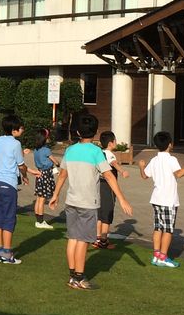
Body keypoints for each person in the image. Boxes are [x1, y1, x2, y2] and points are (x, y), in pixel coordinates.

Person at [49, 113, 133, 290]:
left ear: (78, 132)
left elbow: (62, 175)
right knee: (82, 240)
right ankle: (79, 278)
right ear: (95, 132)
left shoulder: (70, 150)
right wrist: (122, 199)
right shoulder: (96, 152)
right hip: (88, 203)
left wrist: (55, 194)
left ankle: (73, 276)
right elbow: (109, 176)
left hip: (71, 201)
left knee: (73, 238)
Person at [138, 131, 184, 268]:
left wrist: (141, 167)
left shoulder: (154, 160)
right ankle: (163, 257)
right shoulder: (171, 159)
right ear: (169, 144)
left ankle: (156, 255)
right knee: (168, 230)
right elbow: (179, 174)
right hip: (168, 200)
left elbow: (144, 176)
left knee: (158, 227)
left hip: (156, 199)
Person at [0, 114, 40, 264]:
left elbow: (10, 158)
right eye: (21, 128)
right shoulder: (16, 143)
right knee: (9, 218)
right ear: (14, 130)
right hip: (8, 184)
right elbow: (21, 165)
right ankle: (7, 253)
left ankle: (0, 251)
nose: (22, 130)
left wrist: (26, 170)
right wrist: (25, 175)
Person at [93, 130, 130, 250]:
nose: (116, 143)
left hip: (98, 184)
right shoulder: (109, 154)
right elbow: (114, 163)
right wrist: (122, 171)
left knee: (99, 212)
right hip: (108, 186)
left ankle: (97, 238)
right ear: (111, 143)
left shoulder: (99, 153)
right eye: (115, 141)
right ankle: (103, 241)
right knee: (107, 212)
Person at [30, 128, 57, 229]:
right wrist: (57, 164)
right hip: (46, 174)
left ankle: (38, 220)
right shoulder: (46, 150)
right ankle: (40, 222)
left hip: (39, 173)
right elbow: (55, 161)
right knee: (42, 199)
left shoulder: (36, 150)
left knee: (39, 198)